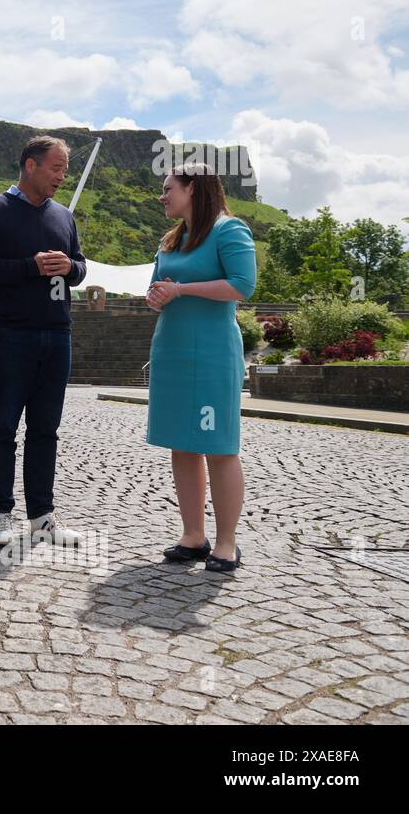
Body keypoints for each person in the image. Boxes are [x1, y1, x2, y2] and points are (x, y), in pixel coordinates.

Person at [0, 135, 87, 548]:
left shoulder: (64, 218)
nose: (61, 177)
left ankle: (43, 519)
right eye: (56, 168)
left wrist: (71, 267)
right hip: (9, 334)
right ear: (30, 166)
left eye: (65, 170)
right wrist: (27, 268)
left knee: (45, 429)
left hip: (57, 334)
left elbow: (81, 268)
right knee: (2, 428)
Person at [145, 163, 257, 573]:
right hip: (171, 351)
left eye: (168, 188)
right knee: (182, 443)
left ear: (193, 188)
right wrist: (156, 297)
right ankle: (193, 535)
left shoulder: (230, 230)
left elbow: (243, 285)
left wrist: (181, 290)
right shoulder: (172, 239)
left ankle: (227, 544)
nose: (163, 195)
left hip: (210, 356)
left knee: (219, 446)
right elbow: (160, 286)